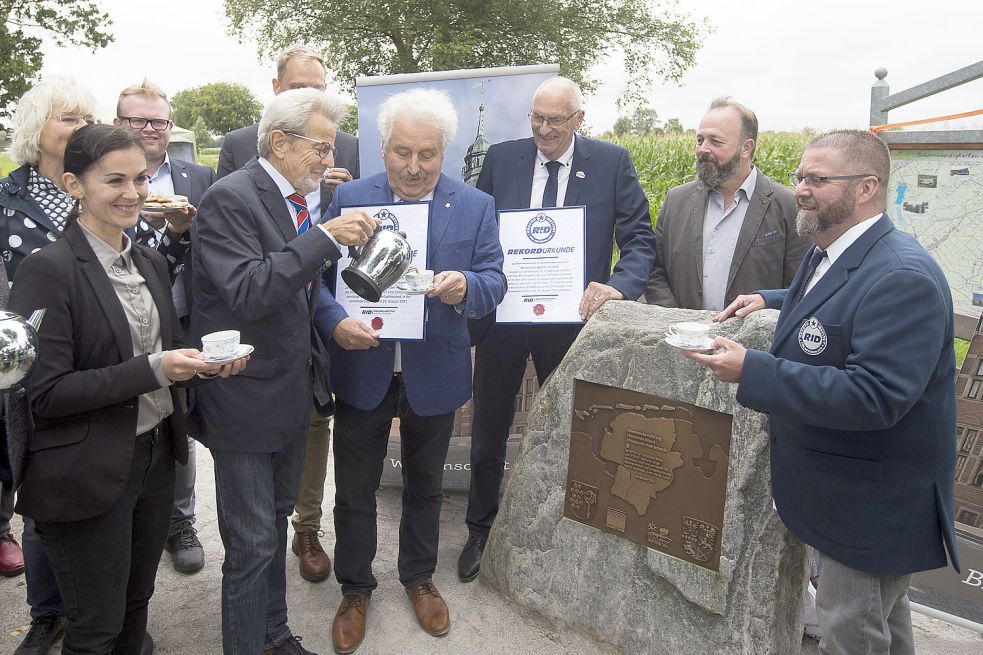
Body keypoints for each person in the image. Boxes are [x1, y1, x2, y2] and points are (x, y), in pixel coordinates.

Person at [685, 129, 960, 655]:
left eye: (819, 179)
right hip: (846, 493)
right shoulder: (832, 249)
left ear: (865, 189)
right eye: (800, 177)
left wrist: (754, 371)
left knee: (851, 630)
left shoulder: (904, 277)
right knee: (886, 624)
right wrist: (767, 298)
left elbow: (875, 396)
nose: (802, 190)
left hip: (870, 503)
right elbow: (832, 297)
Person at [8, 123, 248, 654]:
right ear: (74, 184)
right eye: (114, 180)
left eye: (140, 179)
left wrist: (207, 364)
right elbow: (45, 395)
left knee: (137, 604)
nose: (134, 193)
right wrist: (157, 368)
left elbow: (169, 350)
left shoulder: (151, 262)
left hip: (156, 457)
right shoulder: (46, 271)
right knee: (95, 628)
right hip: (86, 471)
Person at [318, 87, 506, 654]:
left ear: (444, 152)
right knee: (354, 487)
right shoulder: (350, 197)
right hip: (362, 365)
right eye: (402, 152)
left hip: (434, 371)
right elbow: (317, 279)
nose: (414, 166)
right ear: (383, 148)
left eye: (427, 154)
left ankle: (419, 577)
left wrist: (465, 287)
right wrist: (332, 324)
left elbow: (495, 278)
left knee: (424, 485)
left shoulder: (474, 205)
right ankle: (355, 588)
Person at [190, 88, 377, 655]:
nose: (328, 159)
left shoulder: (296, 200)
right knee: (250, 545)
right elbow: (249, 291)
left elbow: (297, 290)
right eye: (320, 148)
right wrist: (323, 239)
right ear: (280, 141)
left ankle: (272, 633)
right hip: (244, 401)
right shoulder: (231, 198)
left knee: (272, 527)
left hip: (289, 394)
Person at [460, 76, 656, 582]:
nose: (543, 129)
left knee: (578, 430)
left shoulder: (612, 163)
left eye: (555, 121)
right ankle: (480, 528)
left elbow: (638, 241)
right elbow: (479, 232)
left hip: (572, 322)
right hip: (503, 320)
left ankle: (570, 531)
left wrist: (618, 286)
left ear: (578, 120)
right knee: (489, 431)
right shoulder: (502, 160)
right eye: (536, 118)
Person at [218, 43, 359, 582]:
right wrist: (320, 234)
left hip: (322, 303)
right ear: (277, 90)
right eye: (300, 87)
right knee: (256, 521)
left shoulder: (343, 143)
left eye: (318, 89)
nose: (326, 156)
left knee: (314, 419)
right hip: (267, 319)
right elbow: (238, 248)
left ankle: (307, 526)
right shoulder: (237, 151)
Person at [0, 75, 98, 654]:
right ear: (37, 133)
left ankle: (107, 611)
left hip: (103, 365)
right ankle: (48, 613)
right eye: (68, 118)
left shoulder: (103, 190)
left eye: (88, 117)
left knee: (102, 492)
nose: (81, 127)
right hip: (33, 378)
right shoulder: (7, 203)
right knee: (41, 499)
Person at [115, 79, 216, 574]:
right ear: (119, 123)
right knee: (127, 413)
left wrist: (188, 227)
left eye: (158, 120)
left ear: (170, 127)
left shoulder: (199, 176)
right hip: (120, 318)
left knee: (177, 416)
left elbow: (219, 246)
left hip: (182, 314)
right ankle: (126, 519)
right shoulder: (107, 175)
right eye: (138, 120)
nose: (150, 129)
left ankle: (179, 520)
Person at [644, 97, 808, 310]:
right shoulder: (676, 201)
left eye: (716, 141)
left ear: (746, 148)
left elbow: (800, 285)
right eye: (700, 140)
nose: (703, 149)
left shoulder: (787, 205)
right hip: (683, 337)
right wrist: (676, 319)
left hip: (750, 340)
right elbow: (656, 270)